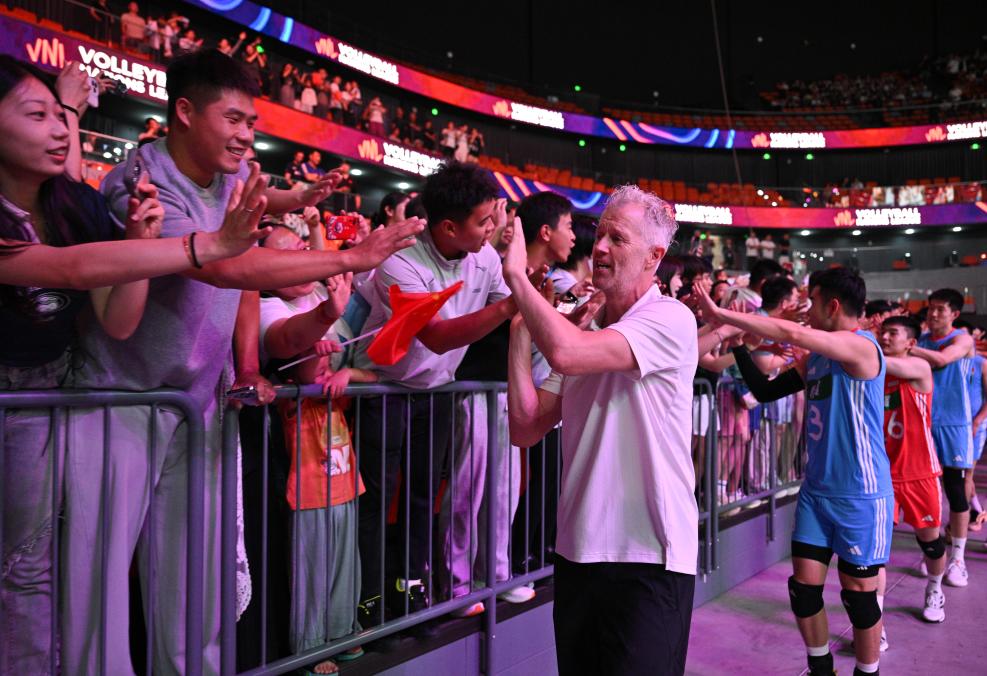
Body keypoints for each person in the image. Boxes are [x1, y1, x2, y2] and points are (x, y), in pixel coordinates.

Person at [60, 49, 423, 674]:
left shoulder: (230, 182)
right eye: (233, 120)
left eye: (251, 122)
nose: (245, 135)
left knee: (194, 586)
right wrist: (348, 258)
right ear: (184, 112)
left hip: (198, 406)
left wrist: (297, 197)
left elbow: (247, 263)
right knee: (98, 588)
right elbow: (228, 267)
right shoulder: (139, 182)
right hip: (121, 403)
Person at [0, 55, 267, 675]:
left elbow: (118, 316)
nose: (60, 130)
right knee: (41, 583)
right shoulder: (134, 179)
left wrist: (143, 247)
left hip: (65, 404)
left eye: (63, 116)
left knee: (36, 577)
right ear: (185, 112)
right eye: (39, 115)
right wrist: (212, 247)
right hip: (92, 399)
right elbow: (70, 270)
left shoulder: (74, 206)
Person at [505, 185, 698, 675]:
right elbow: (525, 427)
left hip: (648, 556)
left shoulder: (669, 317)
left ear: (655, 257)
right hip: (578, 552)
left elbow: (567, 353)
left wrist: (518, 279)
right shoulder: (584, 335)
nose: (602, 248)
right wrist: (520, 333)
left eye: (619, 238)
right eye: (600, 234)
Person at [698, 267, 892, 676]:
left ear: (832, 306)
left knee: (859, 599)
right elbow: (766, 391)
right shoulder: (816, 359)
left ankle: (867, 671)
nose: (806, 310)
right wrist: (740, 347)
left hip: (860, 494)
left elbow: (793, 333)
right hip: (816, 493)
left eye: (812, 302)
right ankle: (821, 669)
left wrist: (721, 314)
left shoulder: (861, 348)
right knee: (803, 592)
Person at [352, 162, 518, 629]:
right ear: (448, 227)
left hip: (438, 390)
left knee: (424, 497)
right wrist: (512, 303)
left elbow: (512, 312)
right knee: (377, 500)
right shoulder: (400, 260)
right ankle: (370, 603)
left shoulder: (485, 257)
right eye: (484, 221)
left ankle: (412, 591)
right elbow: (438, 336)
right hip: (383, 388)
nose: (492, 228)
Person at [875, 316, 946, 635]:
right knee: (874, 552)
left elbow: (876, 359)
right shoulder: (874, 373)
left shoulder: (919, 368)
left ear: (912, 343)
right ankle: (873, 623)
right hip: (882, 476)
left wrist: (858, 341)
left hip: (920, 473)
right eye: (882, 332)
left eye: (893, 333)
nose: (885, 337)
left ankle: (935, 589)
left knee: (930, 542)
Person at [910, 288, 975, 586]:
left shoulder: (962, 339)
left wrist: (908, 348)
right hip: (922, 423)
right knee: (926, 491)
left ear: (955, 314)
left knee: (955, 489)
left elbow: (941, 360)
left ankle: (958, 559)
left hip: (954, 424)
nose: (933, 314)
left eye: (940, 309)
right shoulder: (921, 340)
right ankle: (934, 551)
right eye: (931, 308)